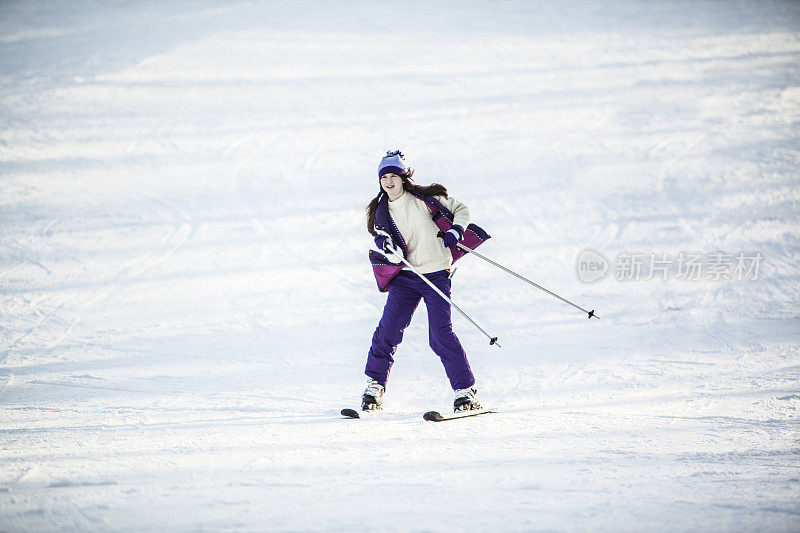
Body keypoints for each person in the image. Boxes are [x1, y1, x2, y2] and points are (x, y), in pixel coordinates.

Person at [361, 149, 491, 412]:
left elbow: (461, 210)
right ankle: (374, 387)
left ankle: (466, 392)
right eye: (384, 177)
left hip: (435, 274)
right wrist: (387, 247)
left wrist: (456, 229)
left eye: (393, 176)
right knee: (387, 331)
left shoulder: (426, 199)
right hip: (406, 278)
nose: (388, 181)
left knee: (440, 335)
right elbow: (380, 238)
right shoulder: (381, 212)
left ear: (403, 177)